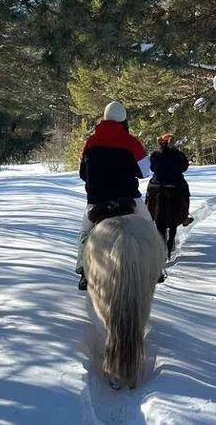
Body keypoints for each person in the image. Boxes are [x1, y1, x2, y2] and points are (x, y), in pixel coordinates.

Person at [76, 101, 153, 291]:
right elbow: (145, 172)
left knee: (85, 233)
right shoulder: (131, 142)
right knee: (149, 226)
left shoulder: (91, 142)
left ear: (104, 117)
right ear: (124, 119)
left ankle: (84, 271)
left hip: (97, 200)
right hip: (128, 198)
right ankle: (156, 268)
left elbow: (82, 174)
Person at [145, 134, 193, 258]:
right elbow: (184, 168)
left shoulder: (155, 154)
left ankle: (147, 210)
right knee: (185, 192)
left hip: (157, 183)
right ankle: (185, 215)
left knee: (149, 192)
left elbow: (153, 168)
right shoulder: (178, 154)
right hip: (175, 183)